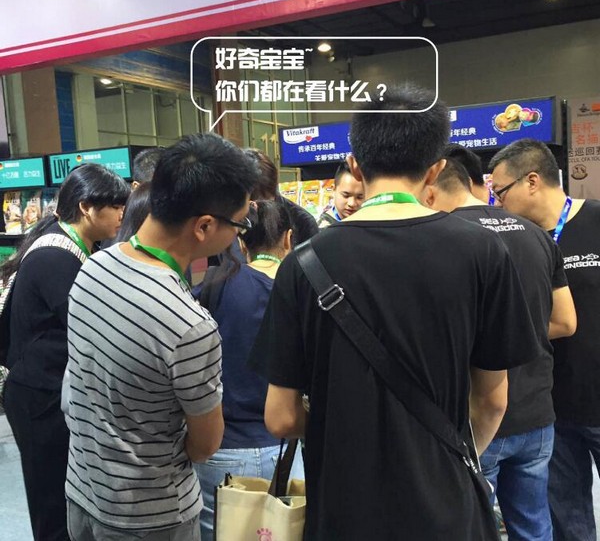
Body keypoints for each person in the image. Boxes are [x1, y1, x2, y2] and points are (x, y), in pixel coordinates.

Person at [249, 84, 540, 540]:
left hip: (343, 508)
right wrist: (449, 454)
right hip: (445, 508)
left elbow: (281, 417)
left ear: (354, 165)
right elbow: (492, 400)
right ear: (436, 169)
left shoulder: (302, 263)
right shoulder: (482, 251)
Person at [63, 133, 259, 540]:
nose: (240, 235)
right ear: (204, 226)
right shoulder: (188, 324)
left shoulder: (92, 268)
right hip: (150, 517)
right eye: (240, 224)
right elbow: (205, 444)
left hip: (84, 492)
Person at [423, 157, 576, 540]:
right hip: (538, 413)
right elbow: (565, 321)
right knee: (534, 524)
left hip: (477, 417)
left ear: (431, 187)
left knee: (475, 526)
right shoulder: (537, 234)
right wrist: (517, 333)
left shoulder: (442, 239)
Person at [1, 164, 129, 541]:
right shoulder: (56, 257)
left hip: (48, 391)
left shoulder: (74, 246)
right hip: (40, 398)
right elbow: (90, 328)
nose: (122, 214)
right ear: (87, 207)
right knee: (53, 503)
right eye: (115, 206)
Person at [488, 138, 600, 541]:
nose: (497, 203)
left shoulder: (596, 220)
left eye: (501, 191)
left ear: (532, 181)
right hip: (552, 409)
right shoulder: (518, 243)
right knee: (568, 522)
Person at [193, 199, 303, 540]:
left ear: (242, 244)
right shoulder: (302, 291)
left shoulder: (216, 283)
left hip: (221, 447)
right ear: (288, 239)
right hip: (284, 448)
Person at [245, 148, 318, 246]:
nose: (256, 208)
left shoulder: (302, 222)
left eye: (263, 202)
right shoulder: (229, 221)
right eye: (250, 204)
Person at [317, 160, 365, 228]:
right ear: (334, 190)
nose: (352, 203)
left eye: (359, 197)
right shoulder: (322, 229)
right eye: (346, 195)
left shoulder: (371, 223)